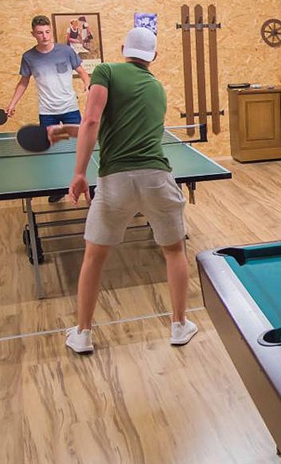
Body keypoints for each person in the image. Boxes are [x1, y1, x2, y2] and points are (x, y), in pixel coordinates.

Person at [51, 27, 197, 354]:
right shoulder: (157, 88)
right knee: (174, 251)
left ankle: (83, 333)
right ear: (153, 56)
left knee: (94, 256)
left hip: (115, 180)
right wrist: (67, 131)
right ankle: (179, 325)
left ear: (122, 49)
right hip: (156, 178)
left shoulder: (105, 70)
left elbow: (92, 122)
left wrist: (79, 173)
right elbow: (114, 128)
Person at [7, 14, 90, 203]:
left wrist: (87, 83)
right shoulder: (29, 57)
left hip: (70, 108)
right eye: (40, 33)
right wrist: (12, 104)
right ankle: (57, 187)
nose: (44, 36)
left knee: (79, 148)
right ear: (33, 34)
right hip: (47, 112)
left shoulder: (66, 51)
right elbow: (23, 82)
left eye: (47, 32)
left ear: (50, 32)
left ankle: (86, 183)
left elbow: (82, 72)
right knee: (51, 150)